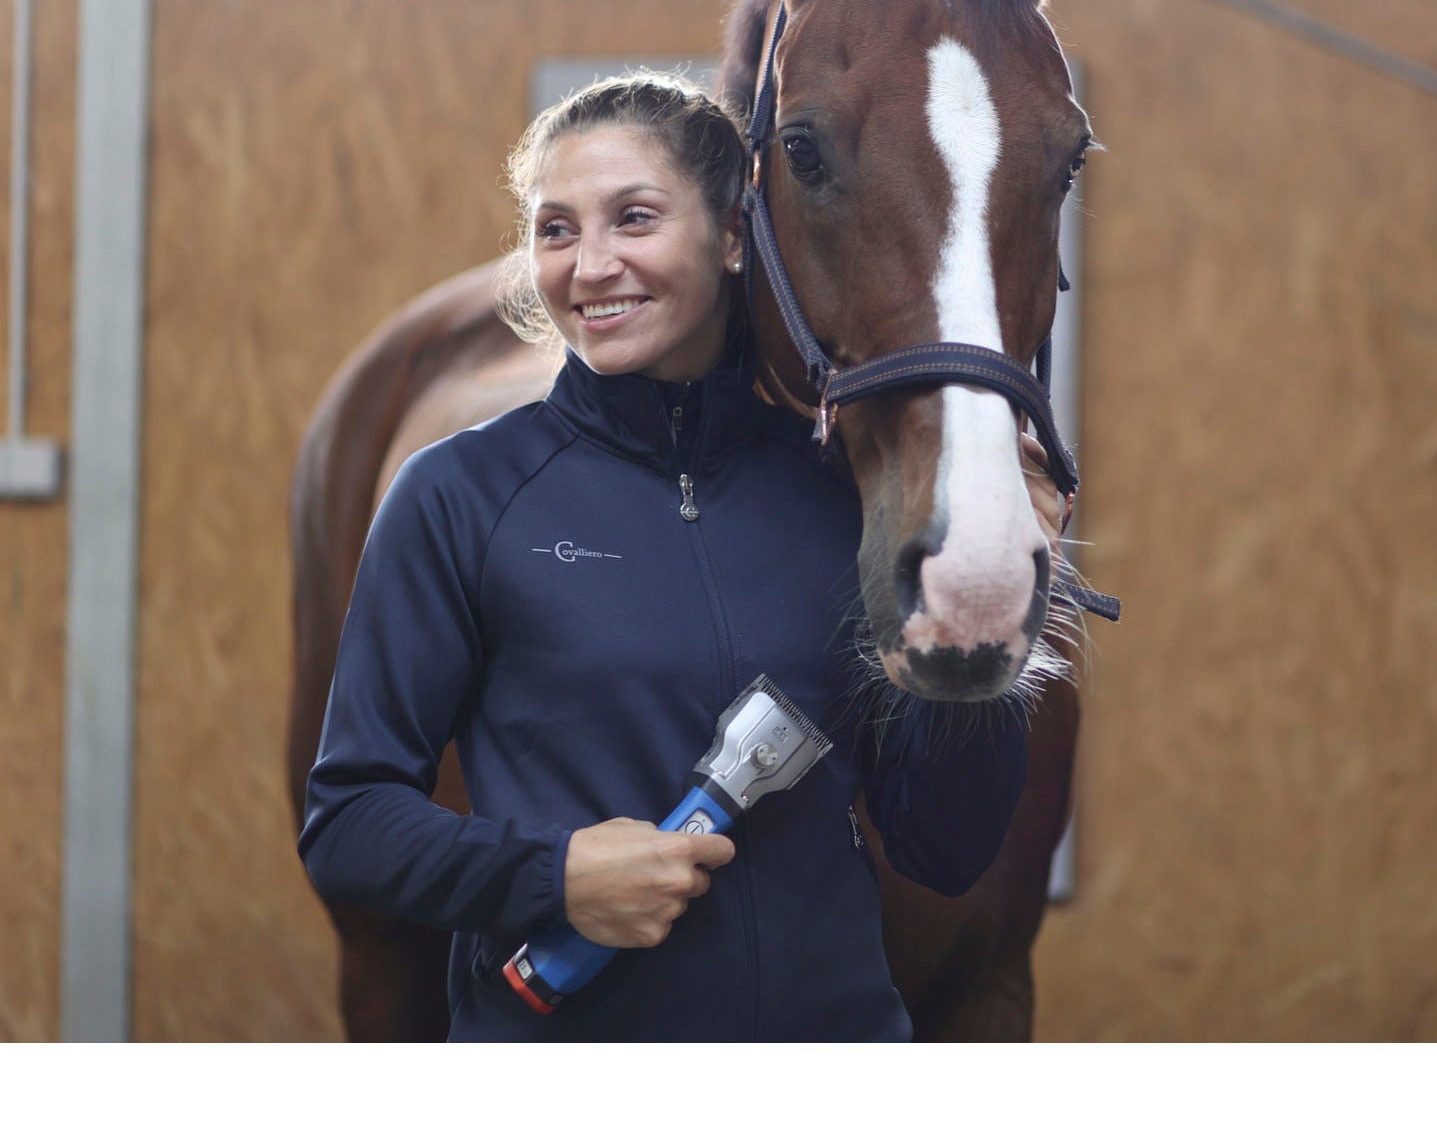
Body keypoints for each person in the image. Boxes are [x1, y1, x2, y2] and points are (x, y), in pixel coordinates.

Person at [298, 73, 1037, 1042]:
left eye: (632, 219)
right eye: (556, 230)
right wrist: (553, 876)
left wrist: (999, 601)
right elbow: (348, 825)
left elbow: (945, 847)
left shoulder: (835, 498)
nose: (590, 265)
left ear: (732, 236)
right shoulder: (460, 495)